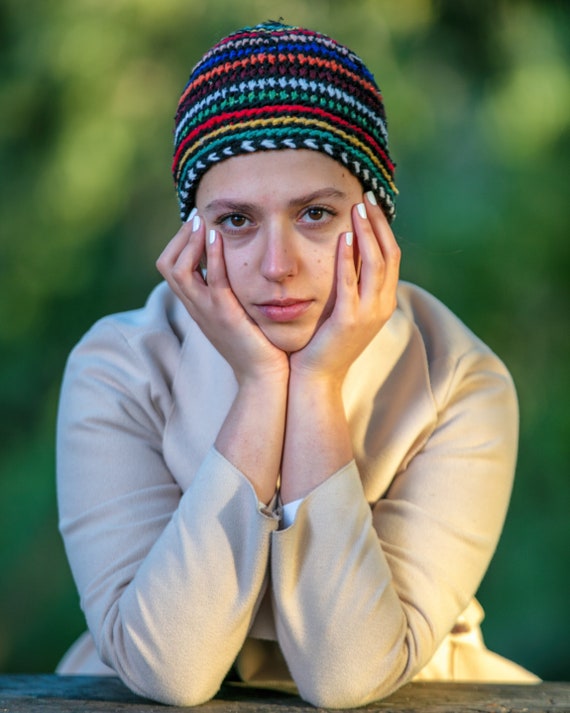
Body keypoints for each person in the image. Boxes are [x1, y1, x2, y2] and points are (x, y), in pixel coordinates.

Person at [55, 21, 539, 708]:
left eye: (315, 212)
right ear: (191, 233)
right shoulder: (118, 367)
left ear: (376, 218)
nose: (277, 267)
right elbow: (168, 668)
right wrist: (260, 384)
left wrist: (316, 385)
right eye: (236, 221)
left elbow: (349, 674)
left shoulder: (459, 381)